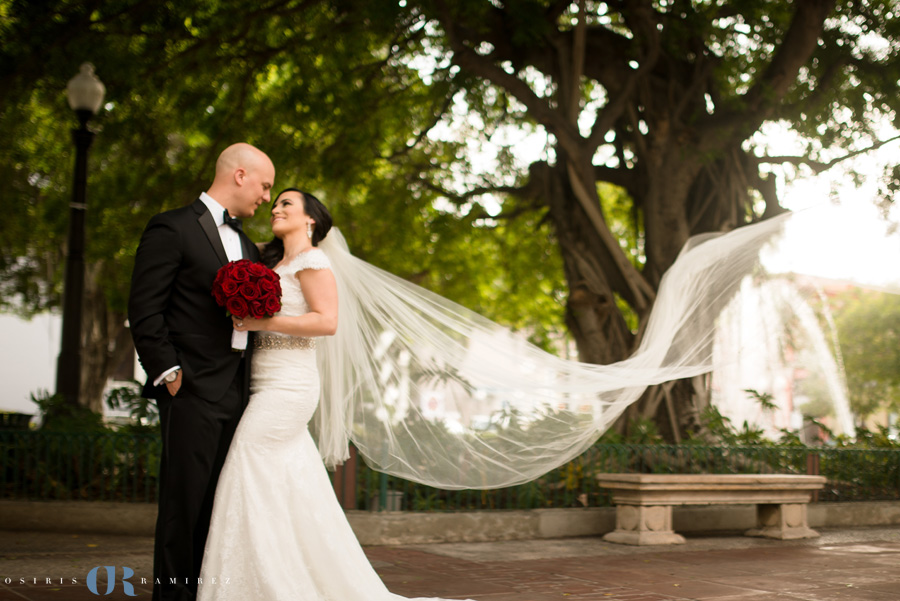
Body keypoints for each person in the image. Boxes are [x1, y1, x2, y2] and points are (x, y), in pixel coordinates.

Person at [128, 142, 275, 601]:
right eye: (264, 185)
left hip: (239, 393)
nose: (266, 197)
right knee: (182, 508)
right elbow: (145, 307)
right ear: (239, 175)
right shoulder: (171, 227)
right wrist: (170, 373)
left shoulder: (249, 245)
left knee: (218, 509)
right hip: (189, 389)